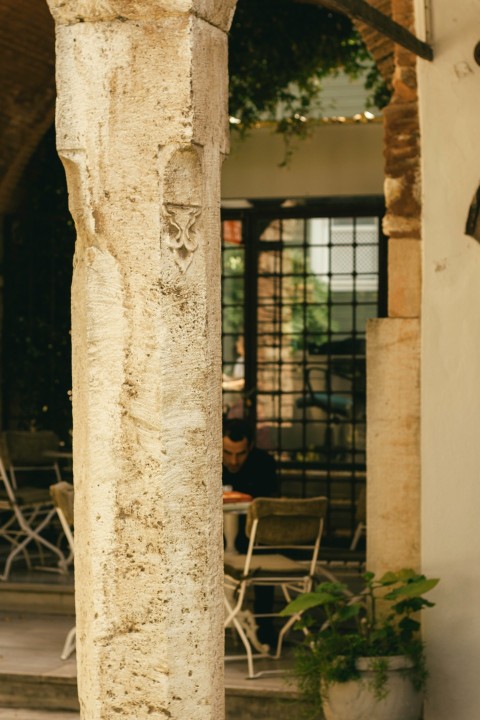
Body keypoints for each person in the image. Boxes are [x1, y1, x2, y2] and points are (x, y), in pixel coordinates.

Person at [222, 418, 278, 647]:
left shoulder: (264, 464)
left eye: (240, 454)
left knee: (264, 556)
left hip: (252, 537)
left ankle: (264, 625)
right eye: (227, 453)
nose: (233, 461)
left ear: (251, 448)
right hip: (212, 536)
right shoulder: (206, 460)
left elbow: (267, 503)